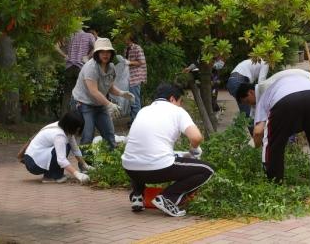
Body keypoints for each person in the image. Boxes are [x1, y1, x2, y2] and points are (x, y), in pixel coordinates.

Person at [121, 83, 214, 217]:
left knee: (140, 152)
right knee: (207, 170)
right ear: (172, 99)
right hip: (158, 169)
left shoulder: (143, 110)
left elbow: (136, 141)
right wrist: (194, 150)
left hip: (131, 169)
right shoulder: (177, 111)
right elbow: (196, 137)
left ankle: (137, 196)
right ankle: (167, 198)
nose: (180, 105)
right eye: (180, 101)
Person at [249, 74, 310, 186]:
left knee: (274, 144)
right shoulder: (306, 79)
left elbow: (258, 131)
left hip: (285, 102)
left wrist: (253, 146)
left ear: (253, 93)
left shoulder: (265, 94)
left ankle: (274, 184)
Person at [72, 37, 134, 151]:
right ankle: (85, 166)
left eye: (108, 52)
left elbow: (109, 86)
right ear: (97, 53)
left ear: (111, 53)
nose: (105, 54)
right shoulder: (91, 68)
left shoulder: (110, 67)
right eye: (102, 52)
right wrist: (109, 104)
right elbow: (94, 91)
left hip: (100, 104)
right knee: (88, 135)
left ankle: (110, 163)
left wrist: (122, 93)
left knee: (109, 134)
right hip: (85, 104)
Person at [22, 111, 92, 184]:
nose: (78, 131)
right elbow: (61, 160)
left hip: (34, 157)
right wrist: (77, 174)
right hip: (33, 163)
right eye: (77, 128)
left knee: (66, 146)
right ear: (71, 126)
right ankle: (50, 177)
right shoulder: (59, 135)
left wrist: (85, 165)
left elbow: (75, 149)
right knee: (65, 147)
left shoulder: (64, 128)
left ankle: (56, 175)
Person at [55, 29, 96, 115]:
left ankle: (64, 118)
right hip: (81, 68)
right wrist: (88, 56)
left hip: (69, 67)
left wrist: (64, 55)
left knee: (67, 94)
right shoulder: (89, 36)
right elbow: (96, 48)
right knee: (82, 94)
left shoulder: (68, 36)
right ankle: (82, 117)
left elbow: (56, 46)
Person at [226, 58, 269, 133]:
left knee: (248, 113)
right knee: (248, 114)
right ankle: (257, 138)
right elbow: (261, 83)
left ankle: (256, 137)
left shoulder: (256, 59)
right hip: (238, 82)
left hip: (234, 81)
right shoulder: (266, 62)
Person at [123, 34, 147, 124]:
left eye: (125, 37)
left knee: (135, 100)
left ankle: (137, 122)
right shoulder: (126, 49)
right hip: (129, 76)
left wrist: (129, 62)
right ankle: (134, 119)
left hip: (136, 76)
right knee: (131, 99)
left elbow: (141, 62)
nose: (124, 39)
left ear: (130, 38)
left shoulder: (137, 48)